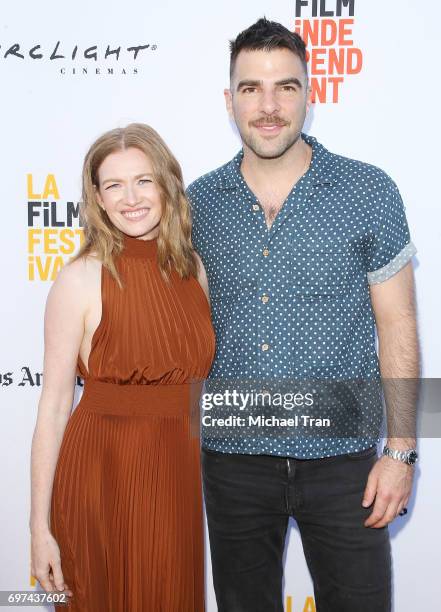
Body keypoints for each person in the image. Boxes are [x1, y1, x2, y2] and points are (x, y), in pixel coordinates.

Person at [187, 18, 419, 612]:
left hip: (345, 463)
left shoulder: (368, 190)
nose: (268, 106)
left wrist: (400, 452)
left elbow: (396, 327)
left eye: (285, 87)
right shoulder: (196, 205)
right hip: (232, 461)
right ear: (229, 99)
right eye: (250, 88)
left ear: (310, 94)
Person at [30, 123, 215, 611]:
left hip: (178, 472)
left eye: (143, 180)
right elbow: (52, 408)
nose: (131, 198)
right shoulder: (80, 278)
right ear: (97, 197)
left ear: (166, 184)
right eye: (114, 184)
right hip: (100, 475)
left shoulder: (193, 269)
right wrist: (38, 527)